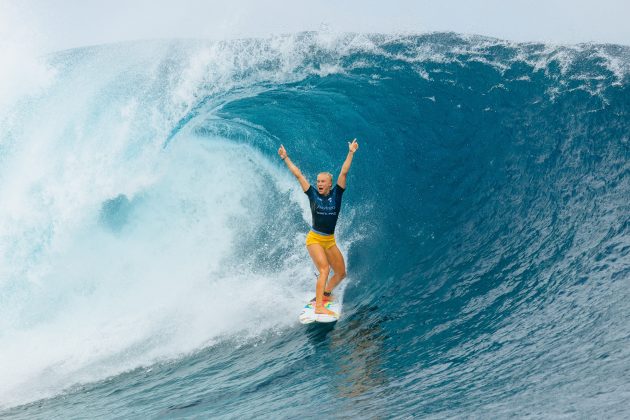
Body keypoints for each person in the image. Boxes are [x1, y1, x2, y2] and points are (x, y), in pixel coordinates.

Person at [278, 139, 359, 316]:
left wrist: (351, 152)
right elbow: (298, 175)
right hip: (314, 238)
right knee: (324, 269)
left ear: (330, 184)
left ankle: (325, 293)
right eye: (318, 181)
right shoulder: (312, 194)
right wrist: (286, 158)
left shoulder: (337, 194)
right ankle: (319, 306)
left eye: (323, 181)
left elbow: (344, 172)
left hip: (329, 240)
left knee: (341, 273)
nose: (320, 183)